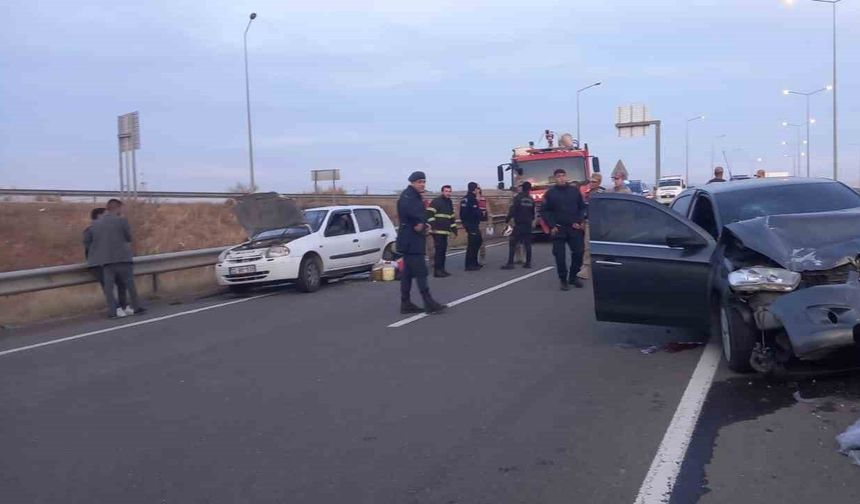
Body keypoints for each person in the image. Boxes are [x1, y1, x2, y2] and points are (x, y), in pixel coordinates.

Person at [396, 172, 446, 314]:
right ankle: (428, 302)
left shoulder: (410, 196)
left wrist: (424, 225)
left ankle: (405, 303)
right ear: (412, 182)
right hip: (412, 241)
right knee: (421, 272)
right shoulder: (410, 198)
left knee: (407, 273)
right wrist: (424, 227)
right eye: (419, 182)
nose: (422, 184)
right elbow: (415, 220)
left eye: (423, 181)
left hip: (408, 239)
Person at [88, 199, 144, 318]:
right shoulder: (122, 220)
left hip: (106, 260)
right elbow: (128, 237)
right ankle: (135, 307)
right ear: (117, 208)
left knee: (109, 288)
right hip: (123, 258)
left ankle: (113, 312)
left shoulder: (96, 224)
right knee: (129, 284)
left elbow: (95, 241)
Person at [542, 168, 587, 290]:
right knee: (559, 256)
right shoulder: (550, 193)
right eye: (558, 176)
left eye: (563, 175)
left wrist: (579, 221)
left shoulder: (574, 191)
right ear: (555, 179)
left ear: (566, 177)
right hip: (558, 229)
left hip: (574, 228)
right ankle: (563, 279)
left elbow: (582, 208)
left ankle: (573, 277)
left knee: (579, 252)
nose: (561, 178)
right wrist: (552, 225)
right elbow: (544, 211)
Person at [83, 207, 129, 313]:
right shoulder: (89, 230)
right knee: (107, 286)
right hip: (98, 263)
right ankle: (115, 309)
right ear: (98, 216)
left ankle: (124, 306)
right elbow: (89, 248)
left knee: (121, 282)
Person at [501, 181, 535, 270]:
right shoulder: (531, 199)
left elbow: (512, 210)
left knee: (512, 243)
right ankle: (528, 263)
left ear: (522, 188)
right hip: (528, 224)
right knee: (527, 244)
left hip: (519, 224)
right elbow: (533, 213)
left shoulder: (518, 197)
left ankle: (510, 263)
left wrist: (507, 220)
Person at [577, 173, 605, 280]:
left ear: (599, 182)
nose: (591, 184)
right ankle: (585, 269)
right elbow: (584, 209)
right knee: (587, 246)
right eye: (590, 181)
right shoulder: (587, 193)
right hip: (589, 222)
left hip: (600, 222)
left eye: (594, 182)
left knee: (601, 246)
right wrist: (582, 221)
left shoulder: (602, 193)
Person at [427, 185, 458, 277]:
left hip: (445, 231)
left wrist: (454, 229)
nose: (448, 193)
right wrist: (433, 226)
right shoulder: (436, 201)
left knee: (443, 251)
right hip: (437, 231)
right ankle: (437, 271)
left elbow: (451, 217)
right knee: (439, 251)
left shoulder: (449, 202)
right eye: (446, 191)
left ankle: (442, 269)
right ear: (442, 192)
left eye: (449, 191)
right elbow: (429, 214)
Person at [460, 181, 483, 271]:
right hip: (471, 224)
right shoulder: (469, 199)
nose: (478, 190)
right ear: (474, 189)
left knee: (478, 242)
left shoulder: (472, 198)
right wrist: (467, 224)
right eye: (477, 188)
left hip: (474, 224)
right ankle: (469, 265)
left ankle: (474, 262)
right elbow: (465, 213)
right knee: (472, 244)